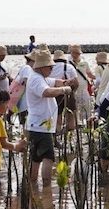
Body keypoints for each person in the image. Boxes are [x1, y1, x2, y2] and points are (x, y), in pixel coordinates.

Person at [25, 50, 74, 186]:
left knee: (36, 158)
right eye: (50, 67)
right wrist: (63, 90)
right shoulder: (35, 78)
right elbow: (46, 92)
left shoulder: (41, 77)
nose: (52, 69)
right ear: (41, 67)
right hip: (41, 126)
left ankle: (33, 185)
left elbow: (54, 82)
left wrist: (65, 82)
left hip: (39, 126)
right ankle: (46, 187)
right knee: (48, 157)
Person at [49, 49, 79, 132]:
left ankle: (57, 134)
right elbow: (76, 83)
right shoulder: (69, 67)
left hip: (55, 93)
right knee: (71, 115)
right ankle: (69, 135)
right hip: (68, 93)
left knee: (57, 116)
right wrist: (73, 92)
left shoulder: (50, 68)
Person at [69, 44, 95, 121]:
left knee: (88, 109)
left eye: (77, 53)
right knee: (75, 109)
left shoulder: (84, 63)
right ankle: (77, 125)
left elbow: (89, 74)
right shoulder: (68, 63)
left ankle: (88, 126)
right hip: (74, 90)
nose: (75, 55)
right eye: (74, 53)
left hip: (84, 89)